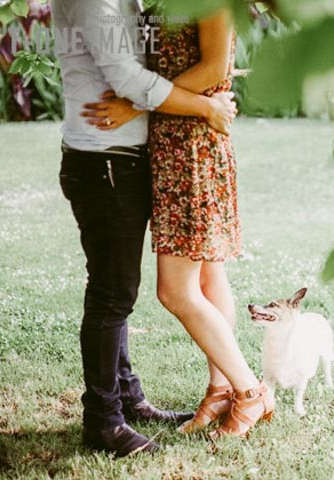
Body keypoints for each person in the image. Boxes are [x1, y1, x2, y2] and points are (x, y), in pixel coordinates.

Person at [52, 0, 239, 457]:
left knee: (116, 290)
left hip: (120, 159)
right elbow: (127, 78)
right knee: (112, 294)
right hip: (104, 160)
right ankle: (103, 422)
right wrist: (204, 106)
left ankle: (127, 398)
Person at [83, 6, 274, 440]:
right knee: (208, 274)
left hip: (193, 147)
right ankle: (221, 390)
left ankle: (250, 391)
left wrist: (137, 104)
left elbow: (213, 65)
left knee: (175, 290)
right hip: (175, 142)